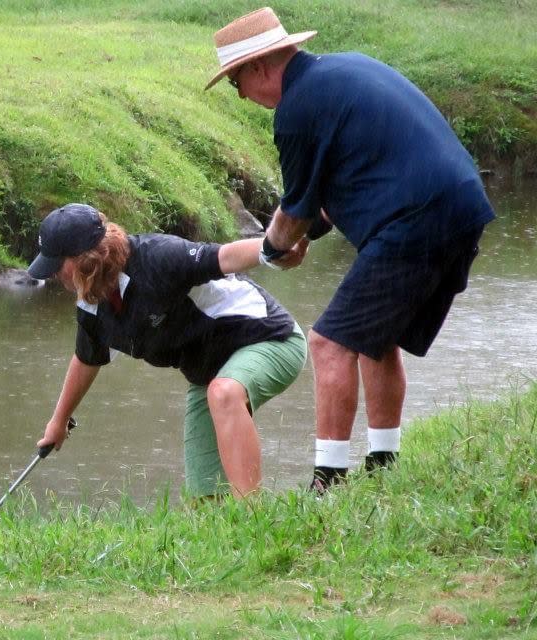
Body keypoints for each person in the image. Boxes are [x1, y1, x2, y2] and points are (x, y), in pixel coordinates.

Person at [205, 7, 496, 492]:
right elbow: (337, 195)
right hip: (460, 204)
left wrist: (272, 250)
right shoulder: (347, 69)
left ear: (258, 68)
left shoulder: (296, 110)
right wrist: (300, 234)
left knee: (329, 342)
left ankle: (328, 483)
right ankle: (383, 466)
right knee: (373, 338)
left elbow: (294, 212)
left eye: (235, 83)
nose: (241, 96)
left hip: (416, 215)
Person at [29, 203, 307, 499]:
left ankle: (253, 515)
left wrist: (272, 250)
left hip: (270, 339)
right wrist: (59, 421)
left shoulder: (157, 258)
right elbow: (87, 359)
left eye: (59, 264)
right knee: (205, 499)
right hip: (209, 376)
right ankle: (228, 536)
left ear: (86, 258)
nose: (56, 274)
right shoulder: (92, 304)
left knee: (224, 393)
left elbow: (223, 256)